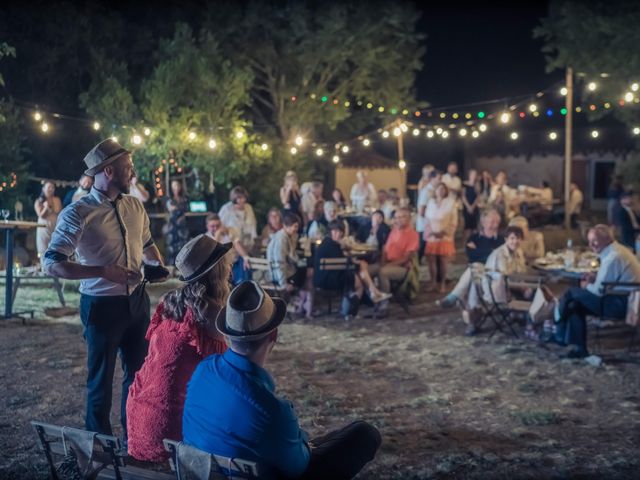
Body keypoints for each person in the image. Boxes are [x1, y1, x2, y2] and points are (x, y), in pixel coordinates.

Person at [182, 281, 381, 479]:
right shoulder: (272, 410)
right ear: (273, 334)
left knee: (327, 439)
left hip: (207, 472)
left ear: (229, 336)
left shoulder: (204, 370)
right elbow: (299, 466)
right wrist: (300, 437)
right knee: (364, 434)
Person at [44, 138, 166, 436]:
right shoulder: (78, 212)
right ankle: (98, 445)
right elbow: (52, 263)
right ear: (108, 171)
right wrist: (103, 272)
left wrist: (156, 264)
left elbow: (147, 243)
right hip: (101, 306)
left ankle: (133, 435)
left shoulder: (135, 206)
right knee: (100, 380)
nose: (132, 174)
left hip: (137, 303)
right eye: (127, 168)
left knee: (138, 374)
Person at [126, 234, 232, 462]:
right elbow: (221, 377)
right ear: (218, 270)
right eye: (227, 262)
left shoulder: (170, 300)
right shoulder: (211, 314)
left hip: (137, 416)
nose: (231, 265)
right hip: (168, 429)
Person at [554, 225, 640, 358]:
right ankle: (579, 349)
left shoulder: (614, 257)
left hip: (621, 304)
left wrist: (586, 285)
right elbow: (609, 281)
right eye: (589, 241)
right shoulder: (617, 250)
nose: (591, 245)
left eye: (595, 240)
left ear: (606, 238)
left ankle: (558, 331)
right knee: (573, 305)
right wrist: (595, 278)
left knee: (570, 293)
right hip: (620, 298)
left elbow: (598, 291)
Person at [440, 226, 526, 336]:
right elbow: (506, 274)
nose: (515, 241)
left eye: (518, 238)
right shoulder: (498, 252)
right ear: (506, 239)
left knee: (474, 279)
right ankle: (460, 305)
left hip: (494, 281)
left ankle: (456, 299)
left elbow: (520, 271)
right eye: (512, 238)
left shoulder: (517, 251)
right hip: (496, 288)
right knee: (474, 271)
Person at [437, 209, 505, 308]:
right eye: (492, 222)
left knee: (473, 269)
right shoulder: (473, 238)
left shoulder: (500, 240)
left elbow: (497, 258)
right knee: (474, 269)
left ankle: (454, 297)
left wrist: (480, 252)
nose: (495, 225)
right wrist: (490, 252)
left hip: (493, 272)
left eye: (497, 222)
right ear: (484, 223)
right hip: (478, 270)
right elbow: (471, 256)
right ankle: (473, 309)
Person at [314, 221, 391, 308]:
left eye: (340, 231)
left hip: (324, 276)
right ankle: (353, 308)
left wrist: (355, 263)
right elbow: (340, 263)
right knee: (359, 278)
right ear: (330, 231)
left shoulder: (327, 243)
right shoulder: (331, 245)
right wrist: (356, 264)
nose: (338, 234)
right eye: (335, 231)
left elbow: (339, 261)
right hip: (330, 279)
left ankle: (372, 292)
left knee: (360, 269)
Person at [267, 212, 312, 318]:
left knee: (309, 270)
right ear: (286, 226)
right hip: (279, 275)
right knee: (308, 273)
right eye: (294, 226)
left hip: (285, 271)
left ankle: (303, 304)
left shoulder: (287, 236)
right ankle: (303, 304)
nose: (296, 229)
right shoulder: (281, 239)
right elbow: (279, 262)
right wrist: (283, 283)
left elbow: (291, 257)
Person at [368, 207, 419, 294]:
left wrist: (387, 265)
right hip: (388, 263)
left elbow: (405, 259)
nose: (398, 220)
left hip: (403, 267)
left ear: (409, 219)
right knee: (366, 270)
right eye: (396, 217)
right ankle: (371, 295)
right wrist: (383, 263)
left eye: (401, 217)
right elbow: (385, 250)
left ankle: (384, 298)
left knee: (383, 272)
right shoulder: (394, 231)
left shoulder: (413, 235)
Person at [424, 183, 458, 293]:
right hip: (432, 236)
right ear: (435, 190)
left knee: (443, 261)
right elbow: (426, 219)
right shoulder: (430, 202)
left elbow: (454, 219)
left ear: (446, 191)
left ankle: (443, 283)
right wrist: (431, 232)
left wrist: (444, 232)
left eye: (443, 189)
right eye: (438, 188)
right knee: (431, 261)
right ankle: (433, 282)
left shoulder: (451, 202)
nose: (440, 191)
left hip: (444, 235)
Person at [219, 186, 258, 272]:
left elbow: (253, 224)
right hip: (233, 247)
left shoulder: (248, 208)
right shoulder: (226, 209)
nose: (240, 200)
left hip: (247, 245)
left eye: (242, 197)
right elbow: (220, 225)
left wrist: (254, 240)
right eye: (237, 198)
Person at [205, 213, 251, 284]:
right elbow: (213, 253)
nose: (216, 228)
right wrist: (217, 236)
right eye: (212, 226)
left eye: (218, 225)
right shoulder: (206, 238)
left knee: (246, 265)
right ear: (207, 226)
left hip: (235, 264)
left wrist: (245, 257)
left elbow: (237, 243)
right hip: (218, 270)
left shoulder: (229, 231)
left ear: (221, 224)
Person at [34, 181, 62, 259]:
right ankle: (44, 269)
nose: (51, 189)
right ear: (43, 189)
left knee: (54, 248)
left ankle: (53, 269)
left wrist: (51, 204)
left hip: (54, 226)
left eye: (53, 187)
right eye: (49, 187)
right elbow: (41, 215)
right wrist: (46, 207)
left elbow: (58, 211)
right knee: (43, 249)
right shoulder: (38, 201)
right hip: (43, 227)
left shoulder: (57, 200)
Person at [164, 180, 189, 265]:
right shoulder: (169, 199)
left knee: (183, 245)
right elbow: (171, 208)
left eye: (177, 185)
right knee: (172, 246)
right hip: (173, 225)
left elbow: (186, 210)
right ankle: (172, 267)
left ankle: (183, 266)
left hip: (182, 225)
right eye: (174, 186)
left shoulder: (184, 198)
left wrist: (182, 214)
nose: (176, 187)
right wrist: (180, 209)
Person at [461, 169, 480, 245]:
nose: (474, 176)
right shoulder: (465, 184)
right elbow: (463, 196)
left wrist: (473, 206)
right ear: (470, 175)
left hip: (474, 207)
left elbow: (478, 197)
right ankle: (464, 243)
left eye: (475, 174)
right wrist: (468, 206)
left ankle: (473, 243)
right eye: (473, 174)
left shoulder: (477, 185)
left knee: (474, 227)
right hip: (466, 206)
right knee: (467, 227)